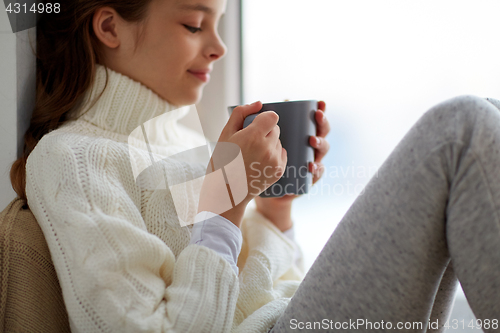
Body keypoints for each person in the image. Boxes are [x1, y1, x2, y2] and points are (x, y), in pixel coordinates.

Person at [9, 0, 500, 333]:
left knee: (486, 117)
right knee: (463, 130)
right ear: (110, 27)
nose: (219, 47)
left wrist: (273, 209)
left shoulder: (185, 143)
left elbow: (266, 291)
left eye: (221, 24)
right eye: (194, 24)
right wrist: (226, 200)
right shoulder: (72, 159)